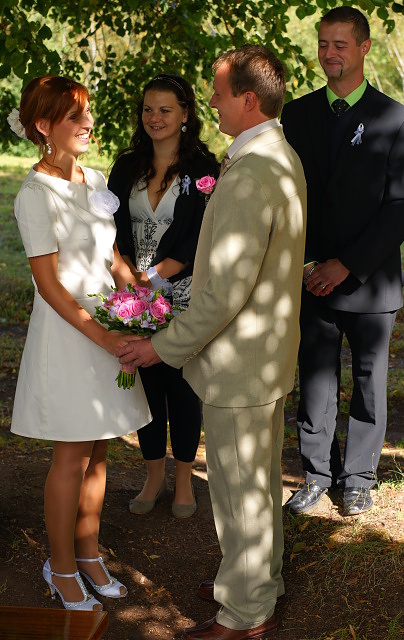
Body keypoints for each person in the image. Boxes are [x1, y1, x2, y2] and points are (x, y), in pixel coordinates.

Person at [116, 45, 307, 640]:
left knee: (240, 491)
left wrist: (160, 347)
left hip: (239, 363)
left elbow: (223, 292)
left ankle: (245, 614)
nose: (212, 104)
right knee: (257, 484)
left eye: (219, 94)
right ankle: (255, 582)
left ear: (248, 99)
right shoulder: (277, 155)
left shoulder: (250, 174)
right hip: (263, 357)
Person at [9, 75, 151, 610]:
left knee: (100, 449)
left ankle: (89, 554)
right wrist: (105, 336)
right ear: (44, 126)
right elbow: (49, 285)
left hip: (109, 329)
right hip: (71, 336)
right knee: (71, 456)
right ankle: (61, 566)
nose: (88, 123)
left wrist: (141, 300)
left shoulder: (93, 178)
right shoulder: (35, 195)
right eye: (75, 116)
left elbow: (110, 256)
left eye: (87, 113)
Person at [281, 6, 404, 517]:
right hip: (310, 277)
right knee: (315, 380)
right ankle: (316, 474)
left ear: (364, 48)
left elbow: (401, 206)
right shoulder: (296, 115)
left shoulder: (396, 120)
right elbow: (287, 196)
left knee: (368, 382)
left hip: (369, 280)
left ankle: (359, 478)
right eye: (323, 43)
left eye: (340, 44)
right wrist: (307, 262)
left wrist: (348, 265)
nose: (329, 53)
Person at [108, 74, 219, 518]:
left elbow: (201, 235)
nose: (155, 118)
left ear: (185, 114)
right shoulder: (126, 167)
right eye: (148, 109)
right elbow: (109, 226)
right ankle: (153, 476)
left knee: (183, 387)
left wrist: (153, 276)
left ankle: (185, 480)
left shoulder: (204, 169)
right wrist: (125, 274)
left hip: (183, 291)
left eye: (165, 110)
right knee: (147, 386)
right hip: (132, 292)